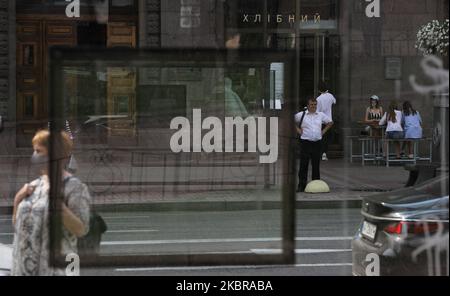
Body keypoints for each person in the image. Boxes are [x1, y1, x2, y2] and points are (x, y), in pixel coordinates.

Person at [11, 130, 91, 276]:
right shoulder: (34, 186)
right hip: (24, 270)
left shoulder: (73, 187)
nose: (35, 156)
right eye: (34, 151)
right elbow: (18, 226)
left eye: (39, 151)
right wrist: (17, 200)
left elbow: (81, 229)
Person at [295, 98, 333, 192]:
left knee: (316, 164)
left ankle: (316, 184)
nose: (314, 106)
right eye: (312, 104)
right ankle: (301, 185)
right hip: (305, 142)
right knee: (304, 165)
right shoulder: (302, 114)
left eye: (315, 104)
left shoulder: (320, 115)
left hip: (317, 143)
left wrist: (323, 131)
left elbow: (330, 122)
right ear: (308, 105)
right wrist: (298, 130)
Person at [316, 81, 336, 161]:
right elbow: (334, 102)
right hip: (329, 120)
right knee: (328, 138)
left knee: (322, 137)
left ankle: (322, 153)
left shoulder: (319, 99)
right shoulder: (330, 96)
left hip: (322, 121)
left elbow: (318, 110)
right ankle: (324, 152)